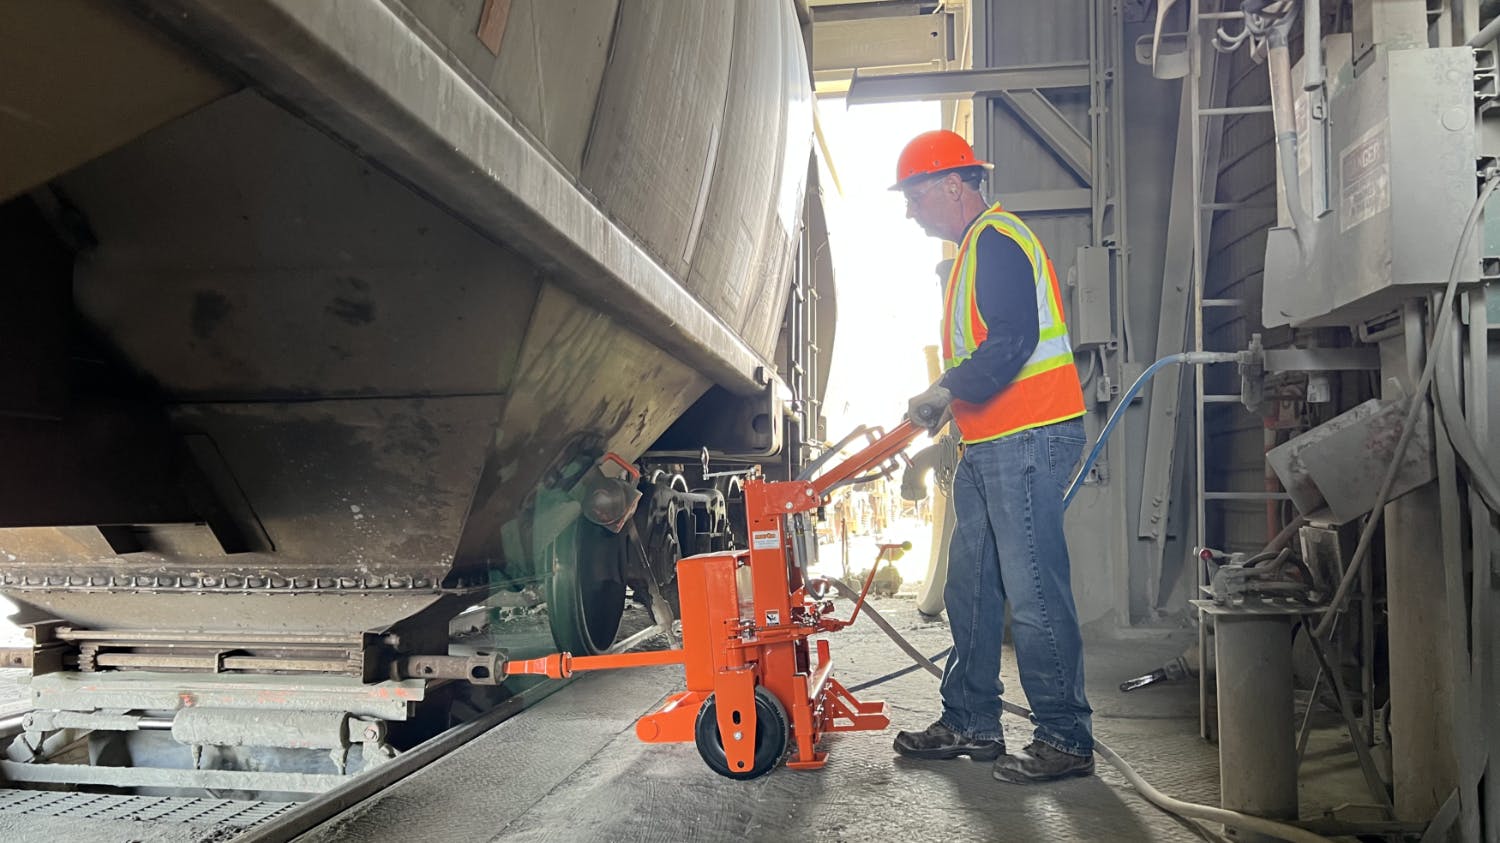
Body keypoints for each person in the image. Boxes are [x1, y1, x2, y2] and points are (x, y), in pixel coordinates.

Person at [889, 129, 1094, 784]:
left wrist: (945, 390)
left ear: (953, 185)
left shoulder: (998, 242)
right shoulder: (976, 250)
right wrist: (948, 406)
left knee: (1033, 592)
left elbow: (1012, 342)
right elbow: (994, 349)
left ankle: (1065, 735)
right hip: (989, 439)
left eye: (915, 196)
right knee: (970, 586)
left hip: (1028, 436)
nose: (911, 211)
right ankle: (972, 720)